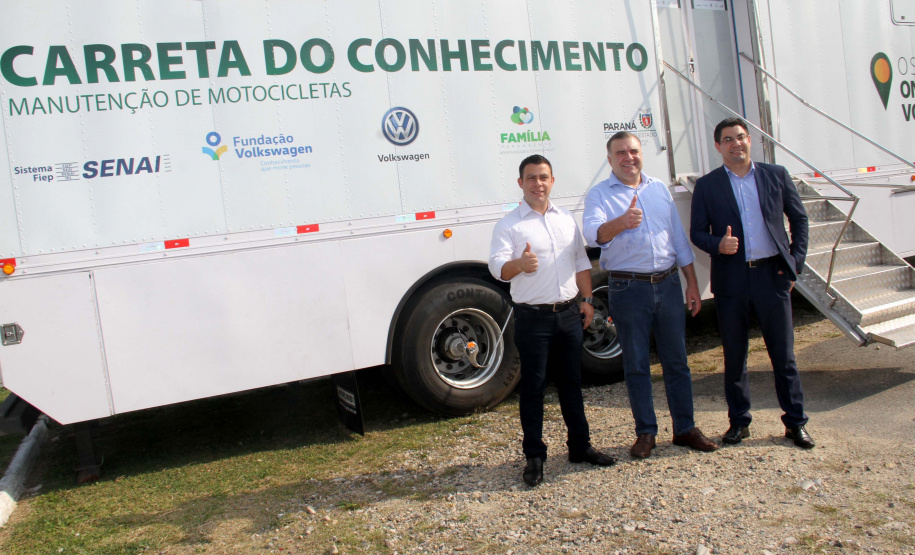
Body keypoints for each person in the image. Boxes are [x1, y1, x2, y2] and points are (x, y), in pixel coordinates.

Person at [583, 132, 717, 460]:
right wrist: (622, 223)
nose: (629, 157)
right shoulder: (599, 194)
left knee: (677, 362)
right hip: (628, 289)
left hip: (669, 285)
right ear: (610, 158)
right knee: (637, 364)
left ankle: (685, 428)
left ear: (641, 154)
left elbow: (678, 240)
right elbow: (593, 234)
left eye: (634, 151)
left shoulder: (658, 189)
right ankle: (646, 433)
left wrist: (691, 283)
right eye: (621, 153)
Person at [489, 154, 617, 487]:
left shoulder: (565, 220)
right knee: (533, 389)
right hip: (533, 319)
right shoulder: (509, 225)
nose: (538, 184)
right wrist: (520, 264)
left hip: (570, 315)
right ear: (521, 183)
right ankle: (534, 456)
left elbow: (580, 263)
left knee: (572, 384)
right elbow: (498, 268)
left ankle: (580, 447)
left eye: (543, 177)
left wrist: (587, 301)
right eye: (531, 178)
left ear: (552, 181)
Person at [690, 117, 813, 449]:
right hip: (732, 280)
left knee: (783, 355)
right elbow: (697, 232)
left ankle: (796, 422)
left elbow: (799, 219)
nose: (736, 144)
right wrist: (718, 245)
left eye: (740, 137)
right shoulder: (708, 185)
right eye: (727, 139)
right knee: (735, 355)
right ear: (718, 146)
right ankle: (739, 422)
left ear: (750, 141)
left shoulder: (775, 175)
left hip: (771, 275)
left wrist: (794, 265)